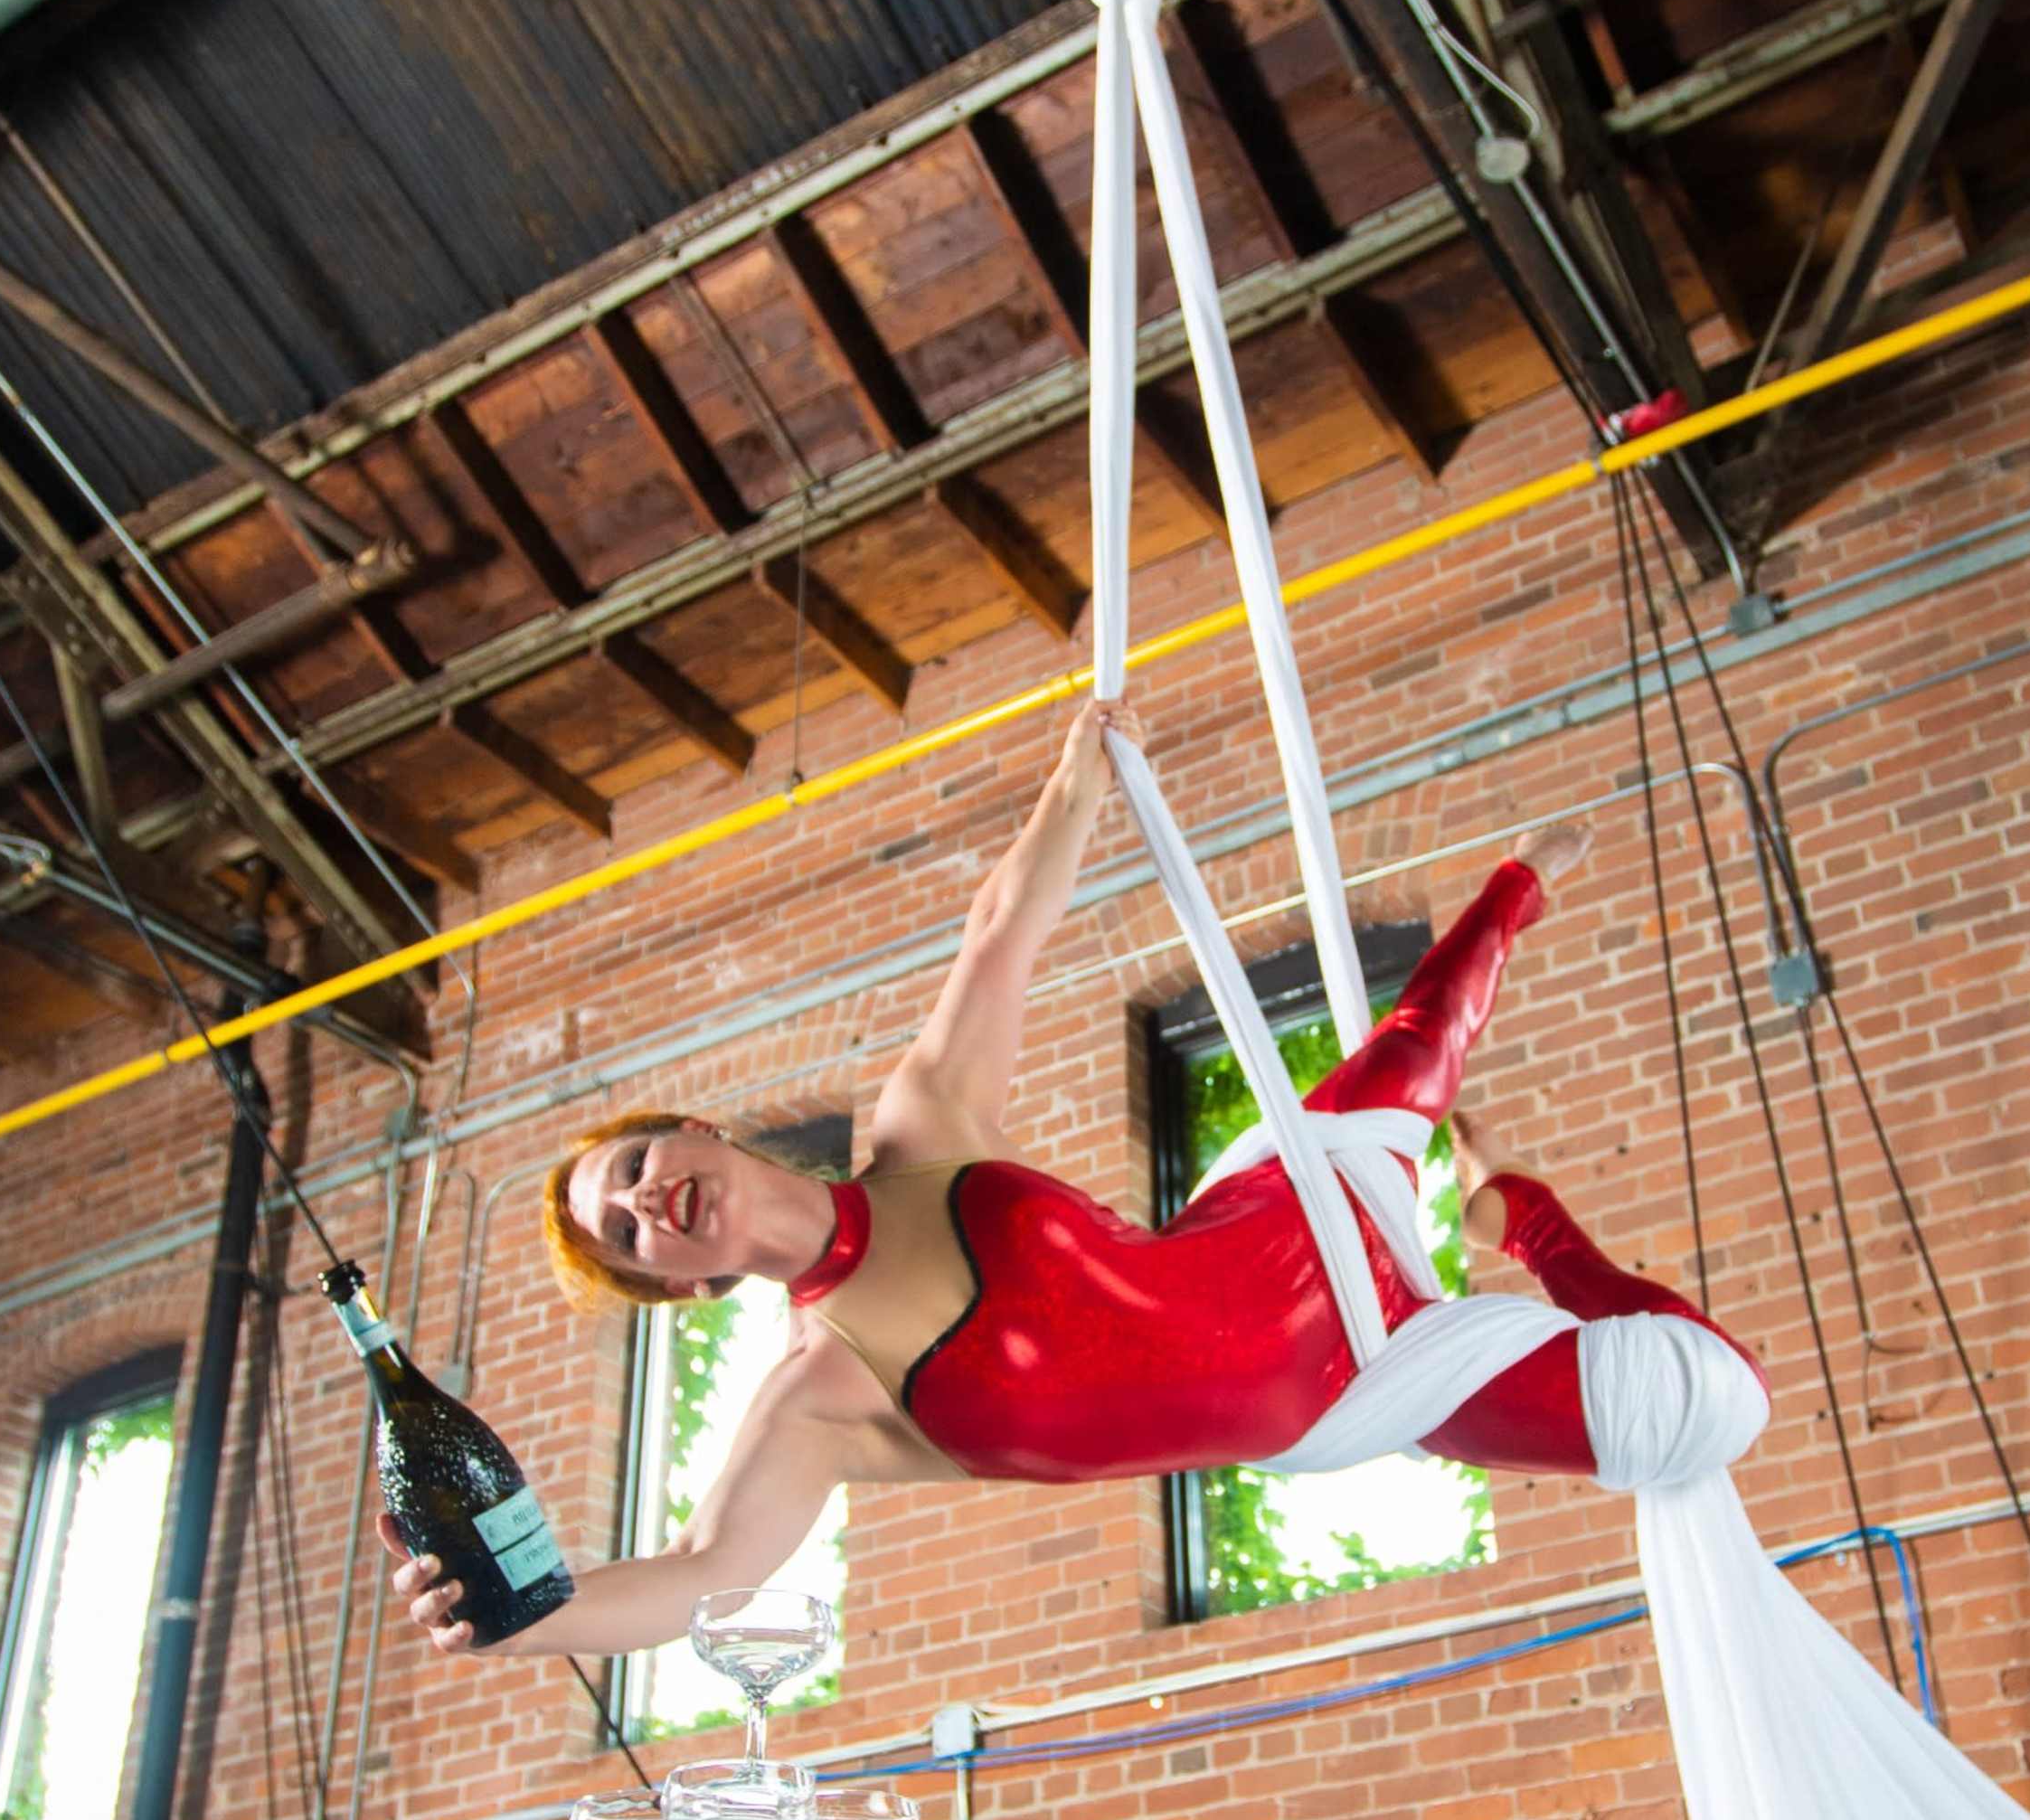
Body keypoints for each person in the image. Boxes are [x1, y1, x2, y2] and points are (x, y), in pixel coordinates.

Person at [382, 697, 1752, 1678]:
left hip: (1282, 1214)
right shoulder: (824, 1395)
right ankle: (1532, 1224)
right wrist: (525, 1612)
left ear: (688, 1132)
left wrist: (1083, 771)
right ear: (678, 1284)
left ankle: (1515, 895)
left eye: (629, 1172)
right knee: (1710, 1398)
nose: (642, 1205)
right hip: (1362, 1384)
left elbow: (1001, 932)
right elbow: (699, 1577)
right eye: (626, 1238)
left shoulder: (925, 1133)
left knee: (1421, 1037)